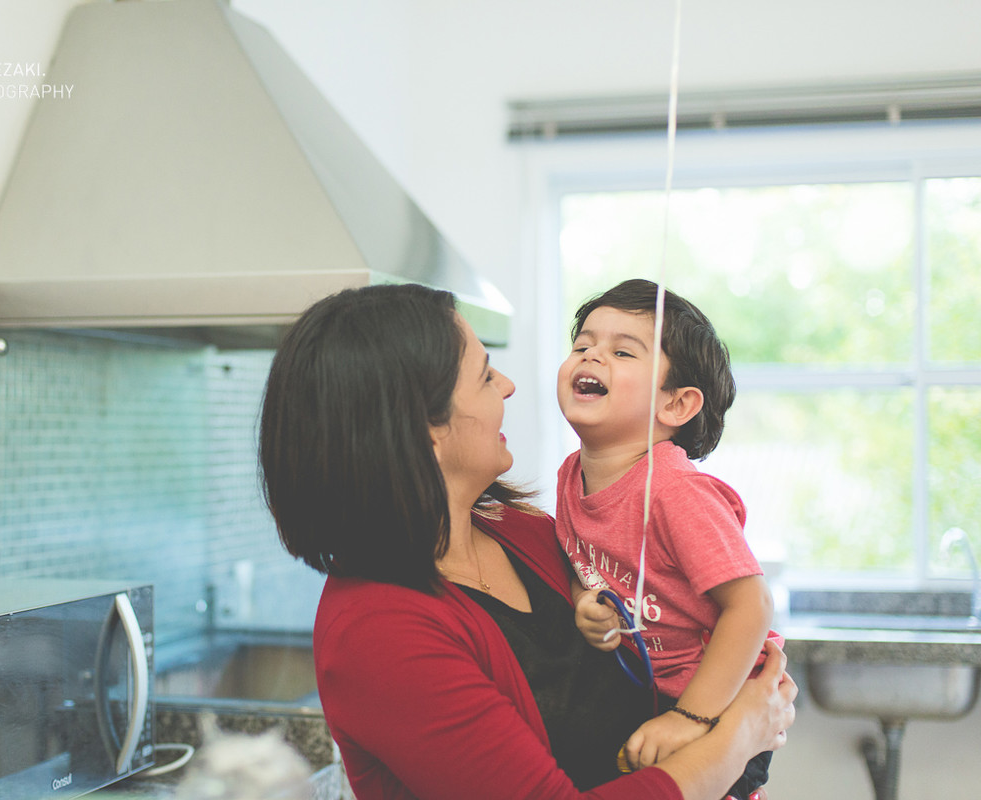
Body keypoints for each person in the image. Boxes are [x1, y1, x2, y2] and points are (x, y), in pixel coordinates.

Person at [260, 283, 795, 800]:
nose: (510, 384)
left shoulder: (527, 533)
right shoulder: (378, 634)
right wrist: (737, 736)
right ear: (426, 428)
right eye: (485, 375)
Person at [555, 279, 784, 800]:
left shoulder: (674, 491)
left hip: (716, 702)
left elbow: (752, 604)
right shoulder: (572, 474)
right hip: (645, 698)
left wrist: (690, 717)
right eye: (582, 345)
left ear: (677, 404)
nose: (592, 357)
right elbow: (580, 562)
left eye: (621, 351)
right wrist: (584, 602)